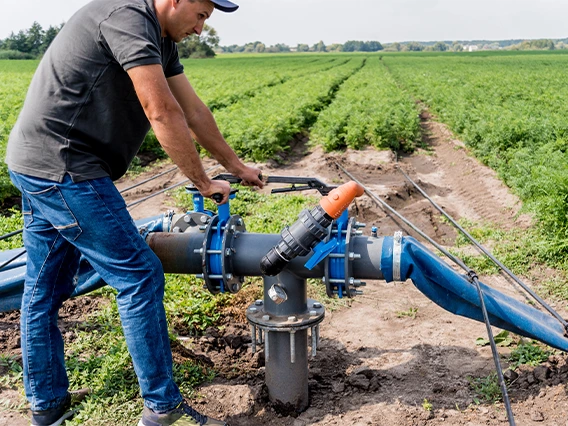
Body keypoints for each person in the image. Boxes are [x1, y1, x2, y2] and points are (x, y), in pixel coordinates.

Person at [5, 0, 263, 425]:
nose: (201, 29)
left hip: (38, 162)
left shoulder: (161, 38)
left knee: (44, 289)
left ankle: (47, 406)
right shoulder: (127, 17)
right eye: (200, 15)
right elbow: (160, 110)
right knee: (139, 273)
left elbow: (193, 110)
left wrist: (235, 167)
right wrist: (202, 181)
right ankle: (163, 410)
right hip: (65, 167)